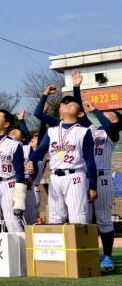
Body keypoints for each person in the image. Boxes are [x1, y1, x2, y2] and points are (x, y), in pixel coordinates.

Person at [28, 85, 98, 226]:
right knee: (55, 217)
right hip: (55, 177)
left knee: (77, 217)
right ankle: (60, 248)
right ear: (60, 113)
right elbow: (41, 150)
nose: (68, 104)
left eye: (72, 104)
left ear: (80, 114)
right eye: (65, 104)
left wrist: (93, 186)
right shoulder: (52, 131)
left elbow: (90, 160)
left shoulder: (84, 132)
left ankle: (79, 247)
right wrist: (31, 160)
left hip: (76, 176)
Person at [83, 101, 120, 271]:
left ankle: (107, 257)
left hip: (103, 179)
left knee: (104, 219)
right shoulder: (92, 130)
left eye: (108, 116)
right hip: (85, 178)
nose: (103, 117)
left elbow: (111, 126)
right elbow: (80, 117)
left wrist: (97, 111)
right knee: (85, 219)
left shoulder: (112, 133)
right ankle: (89, 254)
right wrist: (76, 88)